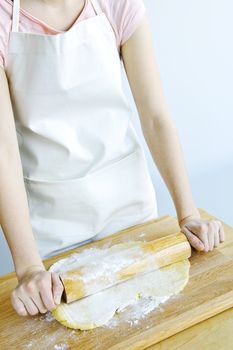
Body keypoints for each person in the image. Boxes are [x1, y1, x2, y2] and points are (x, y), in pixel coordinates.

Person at [0, 0, 225, 317]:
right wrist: (28, 268)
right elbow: (3, 153)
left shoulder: (117, 5)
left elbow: (155, 117)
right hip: (53, 231)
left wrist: (188, 214)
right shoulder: (4, 21)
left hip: (131, 213)